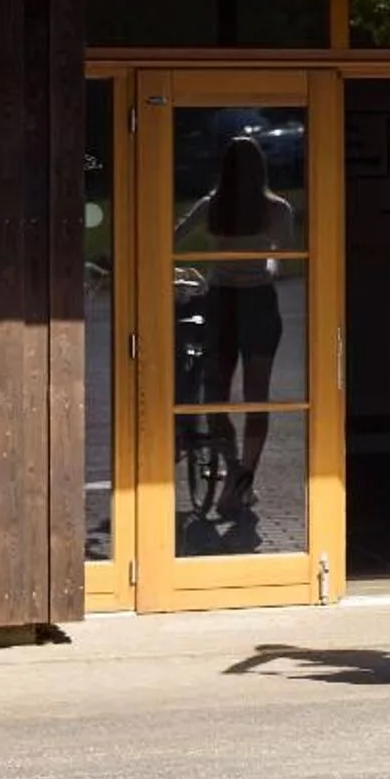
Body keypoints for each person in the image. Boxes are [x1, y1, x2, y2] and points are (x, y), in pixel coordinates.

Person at [174, 133, 300, 519]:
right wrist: (268, 262)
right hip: (259, 301)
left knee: (216, 394)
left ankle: (232, 471)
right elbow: (283, 257)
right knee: (257, 396)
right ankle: (242, 481)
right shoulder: (277, 209)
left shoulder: (211, 205)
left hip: (222, 301)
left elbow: (171, 238)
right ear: (261, 169)